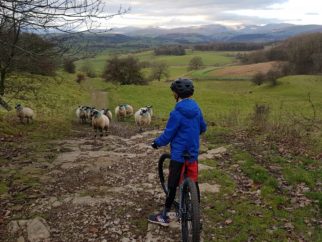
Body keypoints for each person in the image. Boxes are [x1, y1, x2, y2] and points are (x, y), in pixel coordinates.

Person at [148, 78, 207, 226]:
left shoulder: (176, 113)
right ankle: (196, 215)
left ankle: (164, 216)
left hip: (178, 155)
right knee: (194, 181)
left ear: (176, 94)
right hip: (192, 154)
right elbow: (203, 128)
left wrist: (156, 143)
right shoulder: (197, 109)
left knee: (173, 184)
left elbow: (168, 135)